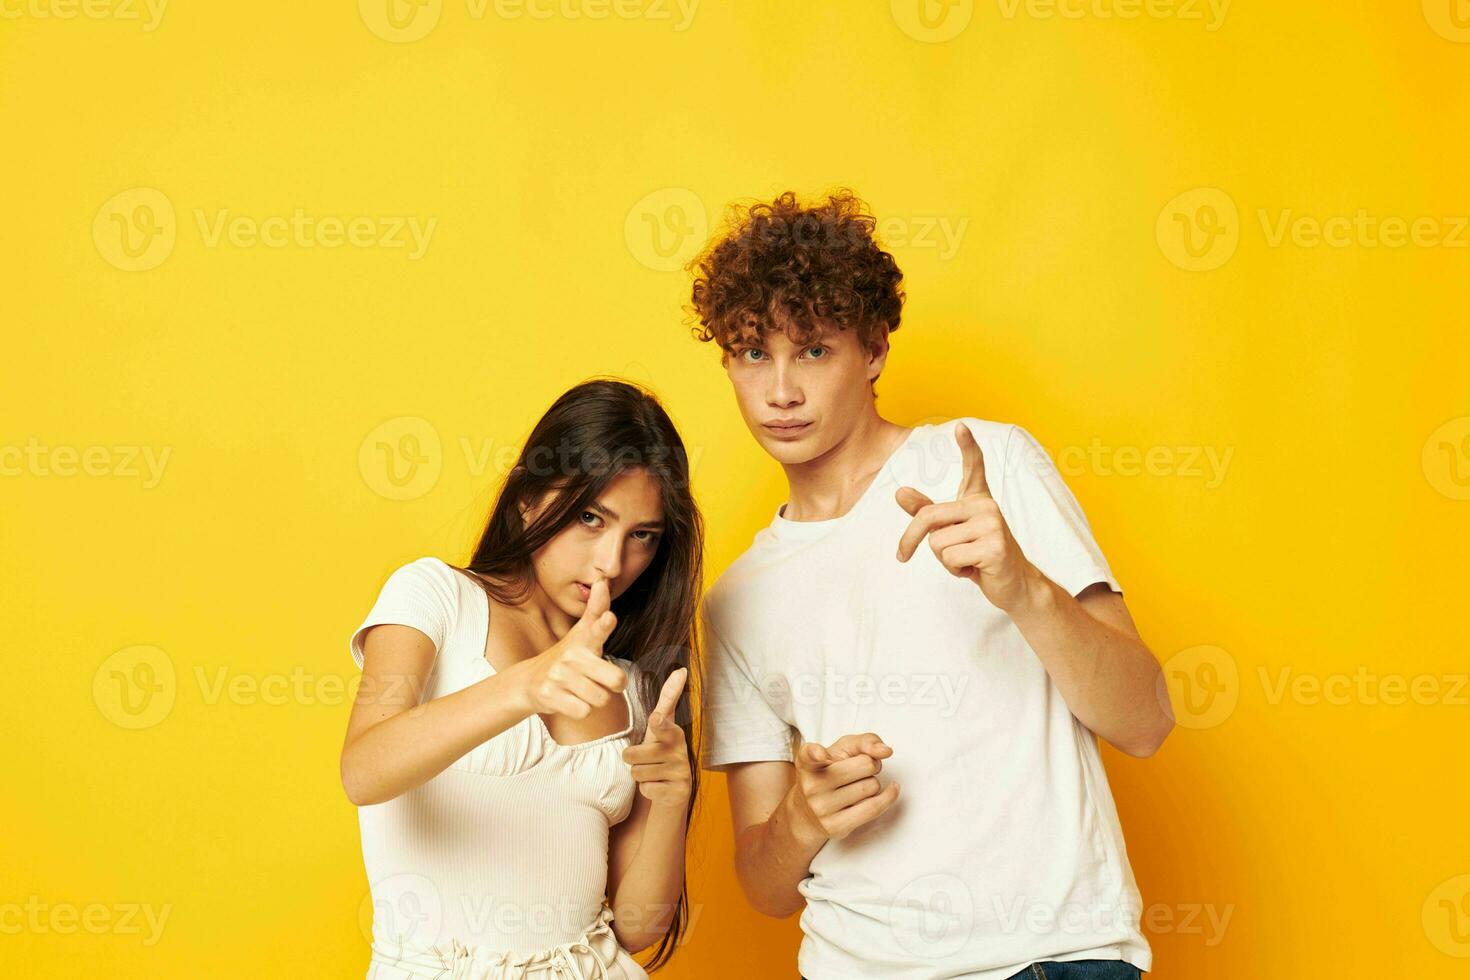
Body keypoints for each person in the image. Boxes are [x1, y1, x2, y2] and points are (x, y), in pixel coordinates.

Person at [687, 191, 1174, 980]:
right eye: (752, 354)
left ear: (874, 350)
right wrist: (805, 819)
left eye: (813, 351)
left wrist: (1023, 588)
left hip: (1049, 960)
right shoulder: (735, 599)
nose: (780, 391)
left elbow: (1146, 720)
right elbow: (763, 885)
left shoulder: (987, 463)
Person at [340, 379, 702, 979]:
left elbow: (636, 928)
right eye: (591, 517)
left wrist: (671, 798)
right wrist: (523, 687)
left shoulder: (635, 688)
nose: (612, 563)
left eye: (642, 536)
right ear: (528, 498)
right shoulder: (436, 597)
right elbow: (364, 769)